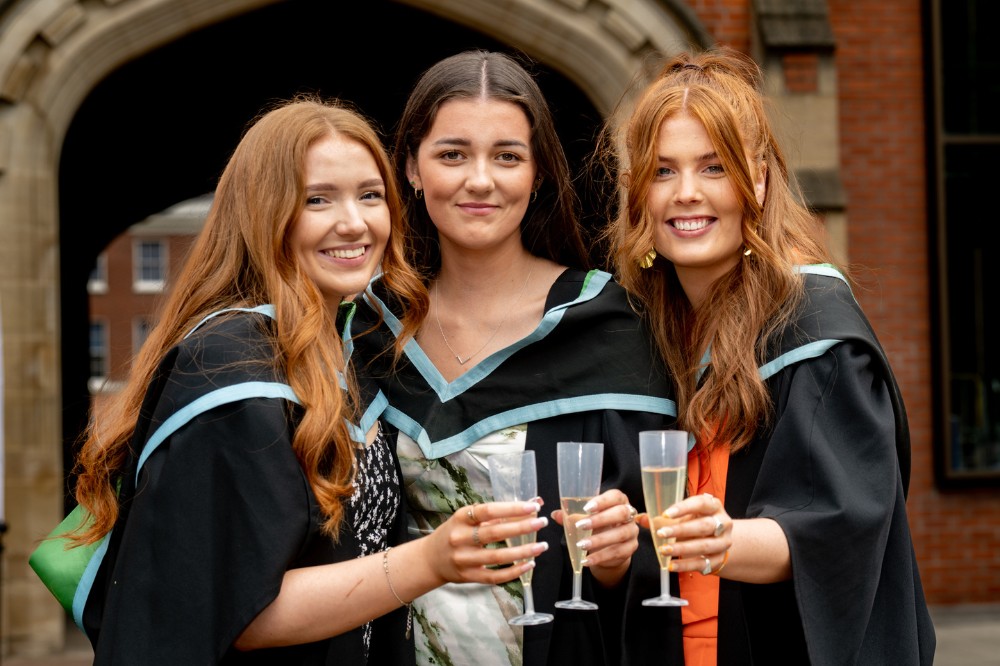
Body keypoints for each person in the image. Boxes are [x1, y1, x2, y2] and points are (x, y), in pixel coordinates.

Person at [67, 95, 549, 665]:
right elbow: (242, 610)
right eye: (317, 199)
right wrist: (432, 560)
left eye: (370, 196)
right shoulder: (230, 371)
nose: (354, 222)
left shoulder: (340, 351)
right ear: (264, 214)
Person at [601, 47, 936, 665]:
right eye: (663, 171)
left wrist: (724, 539)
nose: (687, 194)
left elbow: (843, 528)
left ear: (756, 179)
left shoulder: (813, 334)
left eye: (713, 168)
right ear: (637, 191)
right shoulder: (637, 332)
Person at [347, 50, 676, 666]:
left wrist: (616, 558)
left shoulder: (611, 327)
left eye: (507, 156)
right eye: (452, 154)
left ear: (540, 173)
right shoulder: (364, 330)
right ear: (412, 170)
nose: (480, 180)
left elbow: (659, 560)